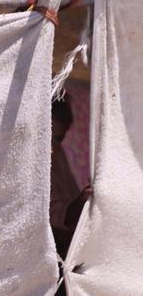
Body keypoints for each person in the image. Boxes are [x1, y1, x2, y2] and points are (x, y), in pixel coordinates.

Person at [50, 97, 92, 258]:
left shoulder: (58, 155)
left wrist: (83, 201)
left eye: (57, 139)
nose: (51, 147)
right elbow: (49, 213)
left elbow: (71, 195)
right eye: (45, 136)